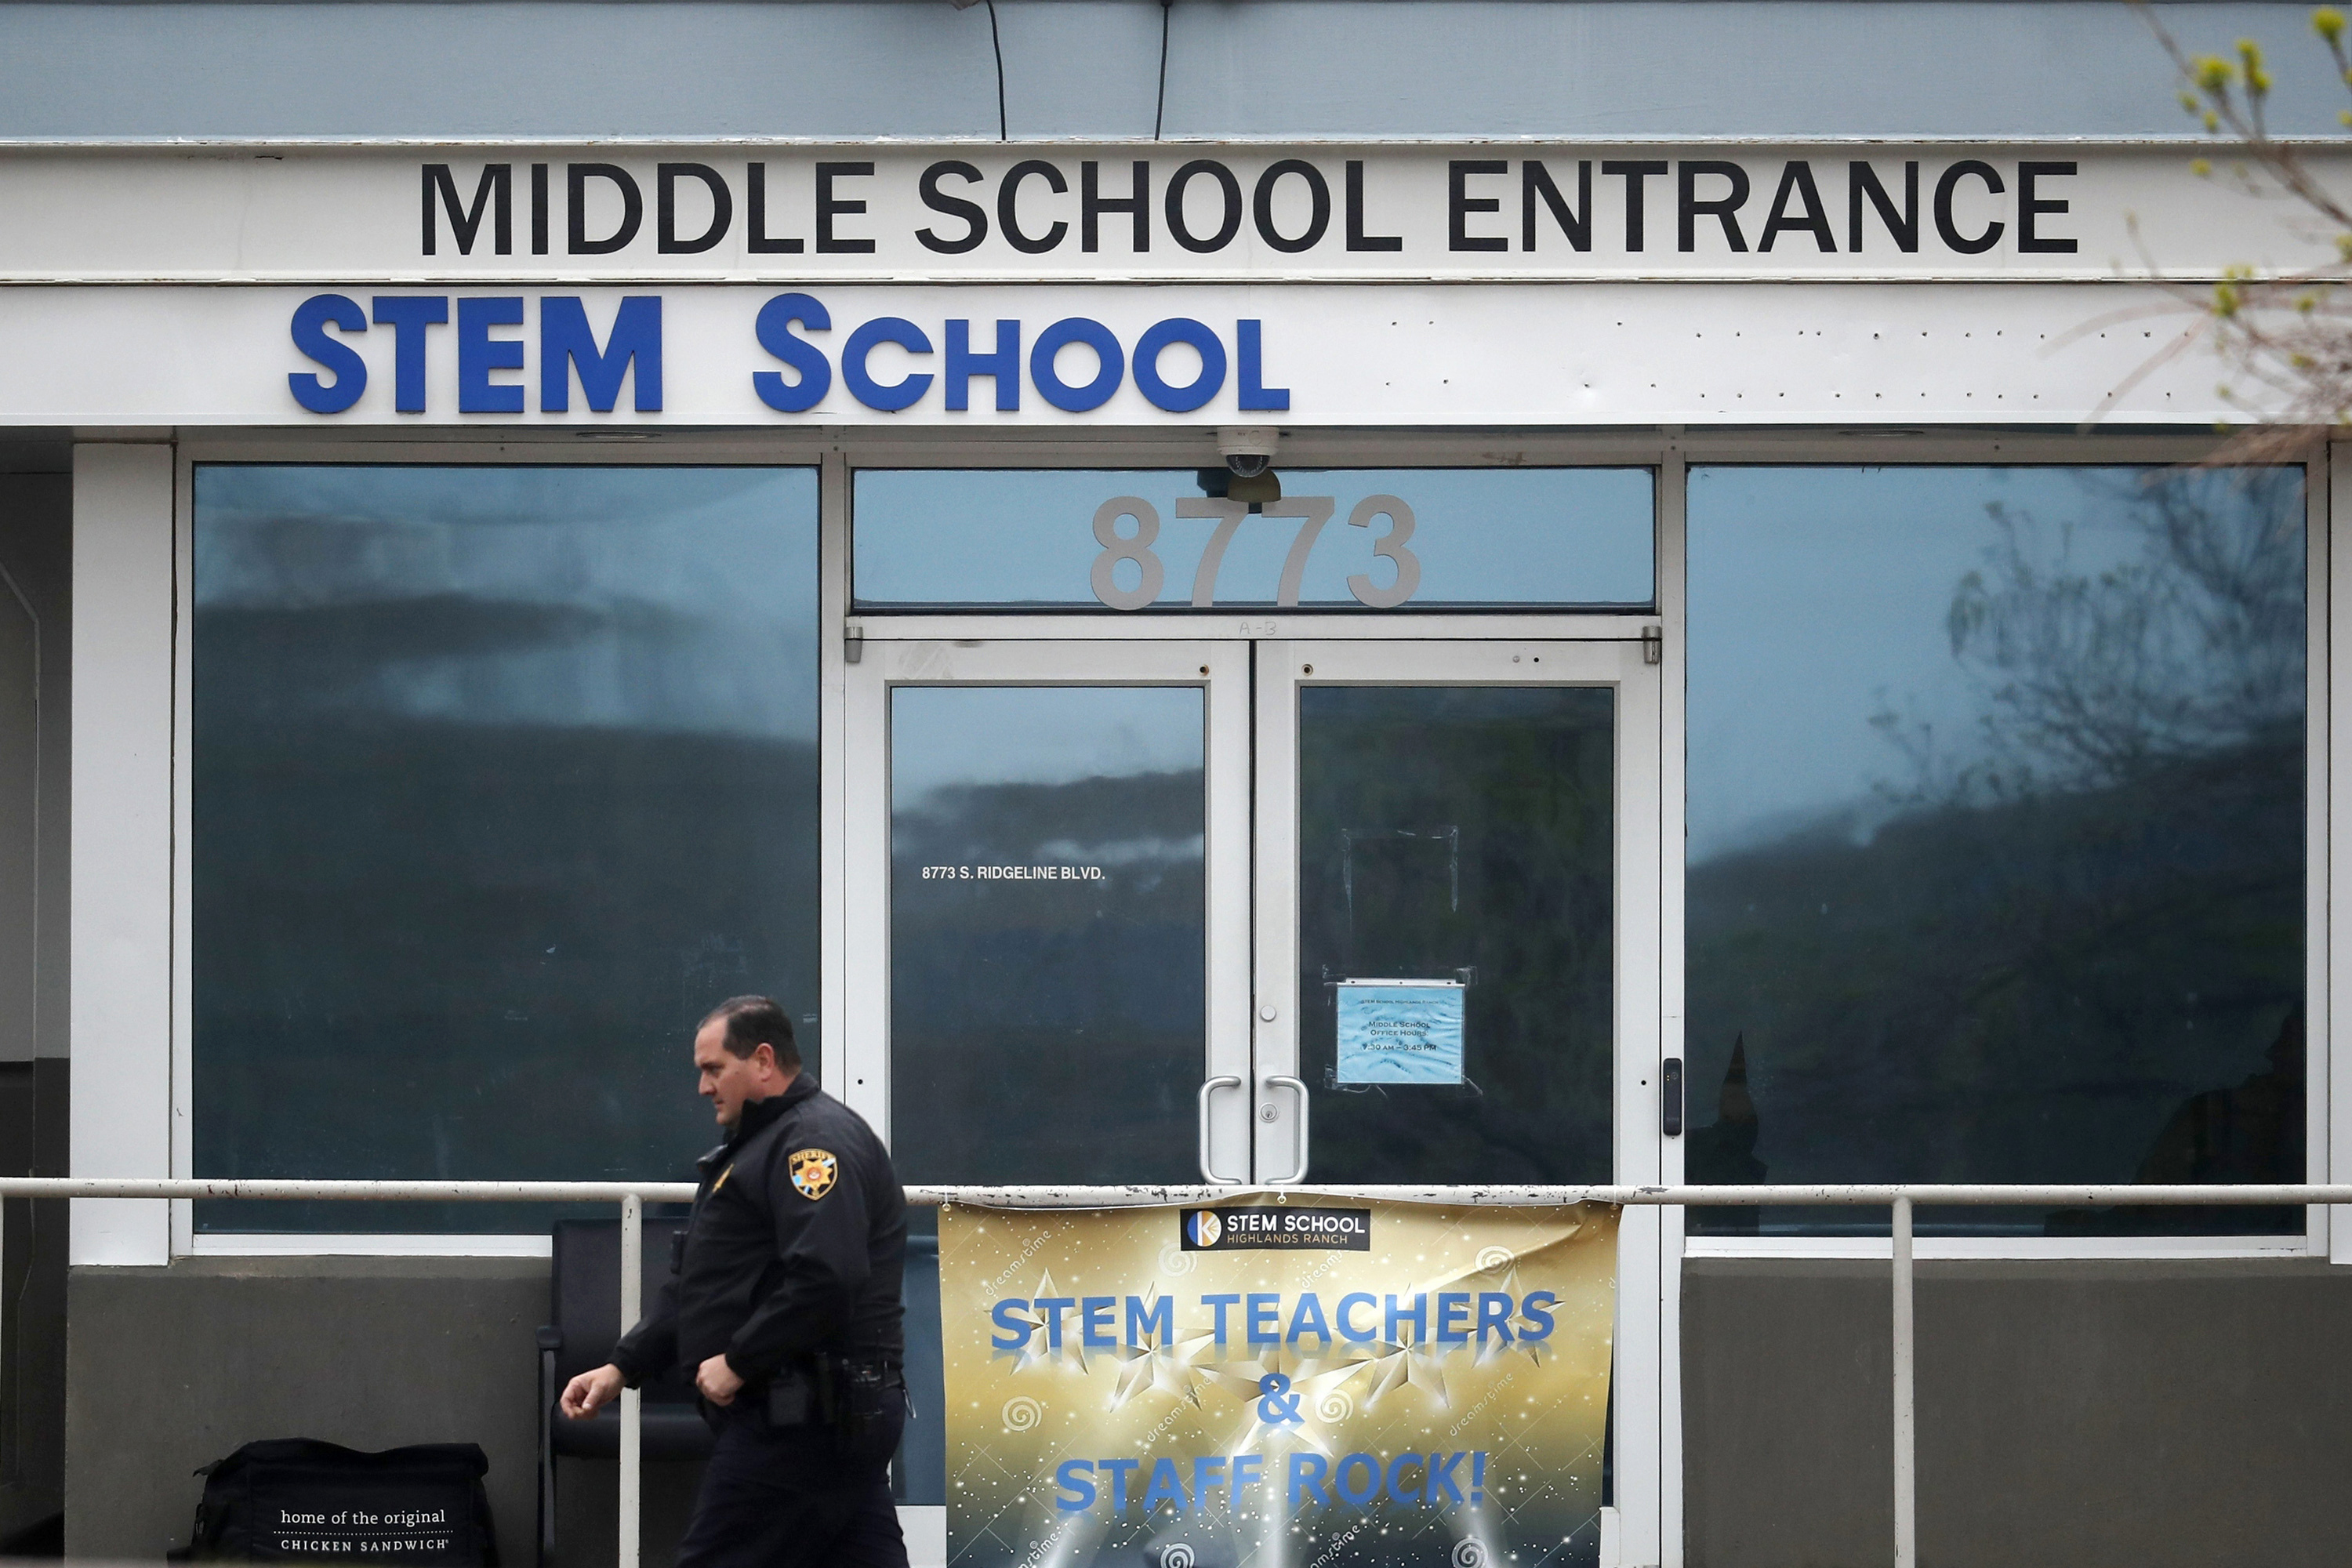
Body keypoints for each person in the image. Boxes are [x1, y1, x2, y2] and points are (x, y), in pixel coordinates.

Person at [559, 995, 909, 1568]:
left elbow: (827, 1275)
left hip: (803, 1416)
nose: (703, 1087)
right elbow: (709, 1281)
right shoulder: (760, 1146)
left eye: (714, 1068)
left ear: (764, 1060)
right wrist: (623, 1366)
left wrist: (741, 1360)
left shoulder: (810, 1147)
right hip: (824, 1413)